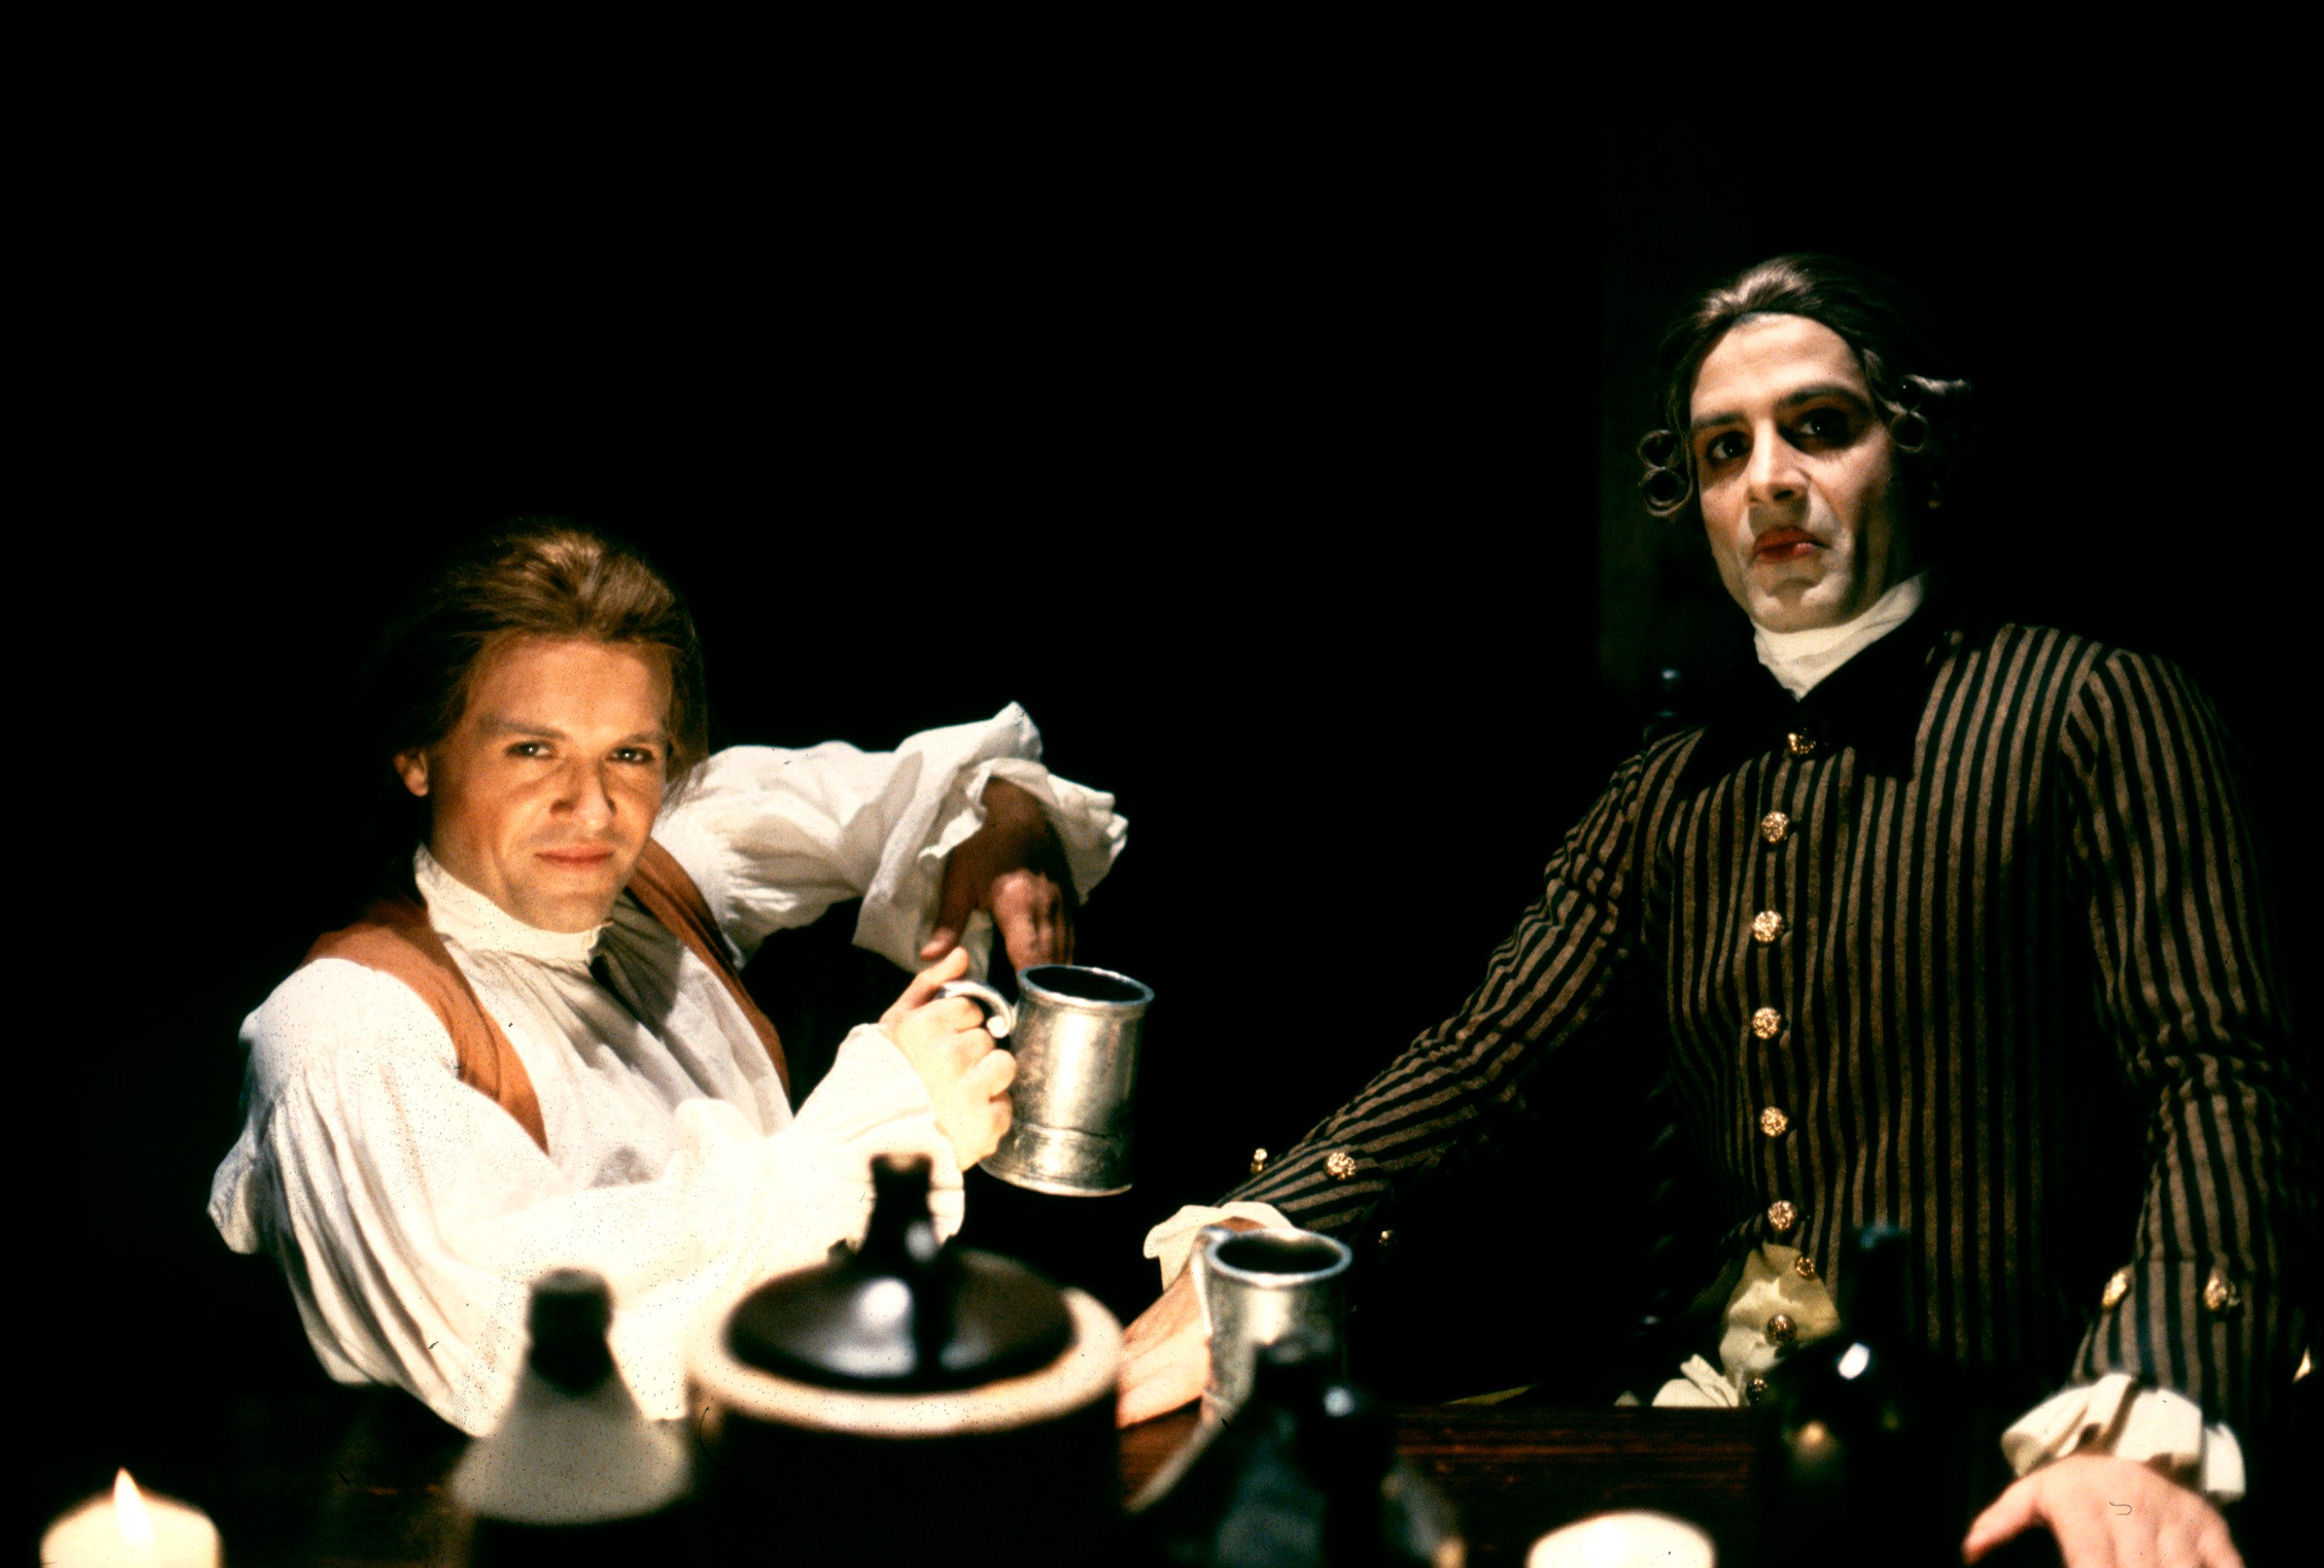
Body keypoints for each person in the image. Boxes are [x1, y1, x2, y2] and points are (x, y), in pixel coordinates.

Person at [1117, 256, 2313, 1567]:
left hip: (2006, 1445)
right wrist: (1256, 1237)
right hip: (1708, 1423)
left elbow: (2215, 1077)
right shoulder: (1668, 782)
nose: (1769, 481)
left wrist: (2149, 1406)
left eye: (1820, 427)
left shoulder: (2093, 707)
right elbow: (1487, 1052)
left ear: (1911, 453)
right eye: (1722, 450)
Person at [208, 521, 1127, 1435]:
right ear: (419, 756)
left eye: (631, 754)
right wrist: (883, 1125)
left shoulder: (658, 884)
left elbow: (900, 794)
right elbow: (532, 1347)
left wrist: (1006, 821)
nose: (592, 806)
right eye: (532, 750)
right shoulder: (347, 1028)